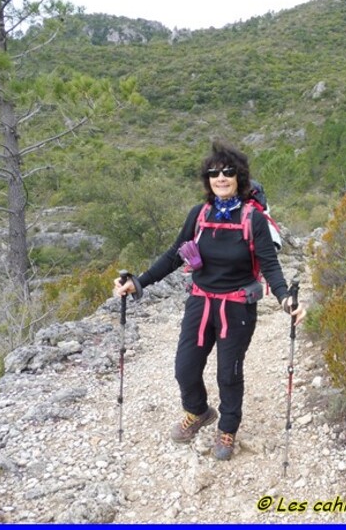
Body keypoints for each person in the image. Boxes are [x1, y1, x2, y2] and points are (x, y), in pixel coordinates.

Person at [113, 138, 306, 461]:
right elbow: (174, 255)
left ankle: (228, 428)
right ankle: (198, 411)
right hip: (200, 303)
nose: (221, 178)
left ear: (239, 178)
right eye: (214, 173)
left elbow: (270, 266)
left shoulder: (252, 219)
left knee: (228, 374)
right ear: (208, 179)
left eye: (228, 172)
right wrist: (139, 282)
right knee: (185, 369)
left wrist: (286, 299)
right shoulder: (199, 214)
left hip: (237, 307)